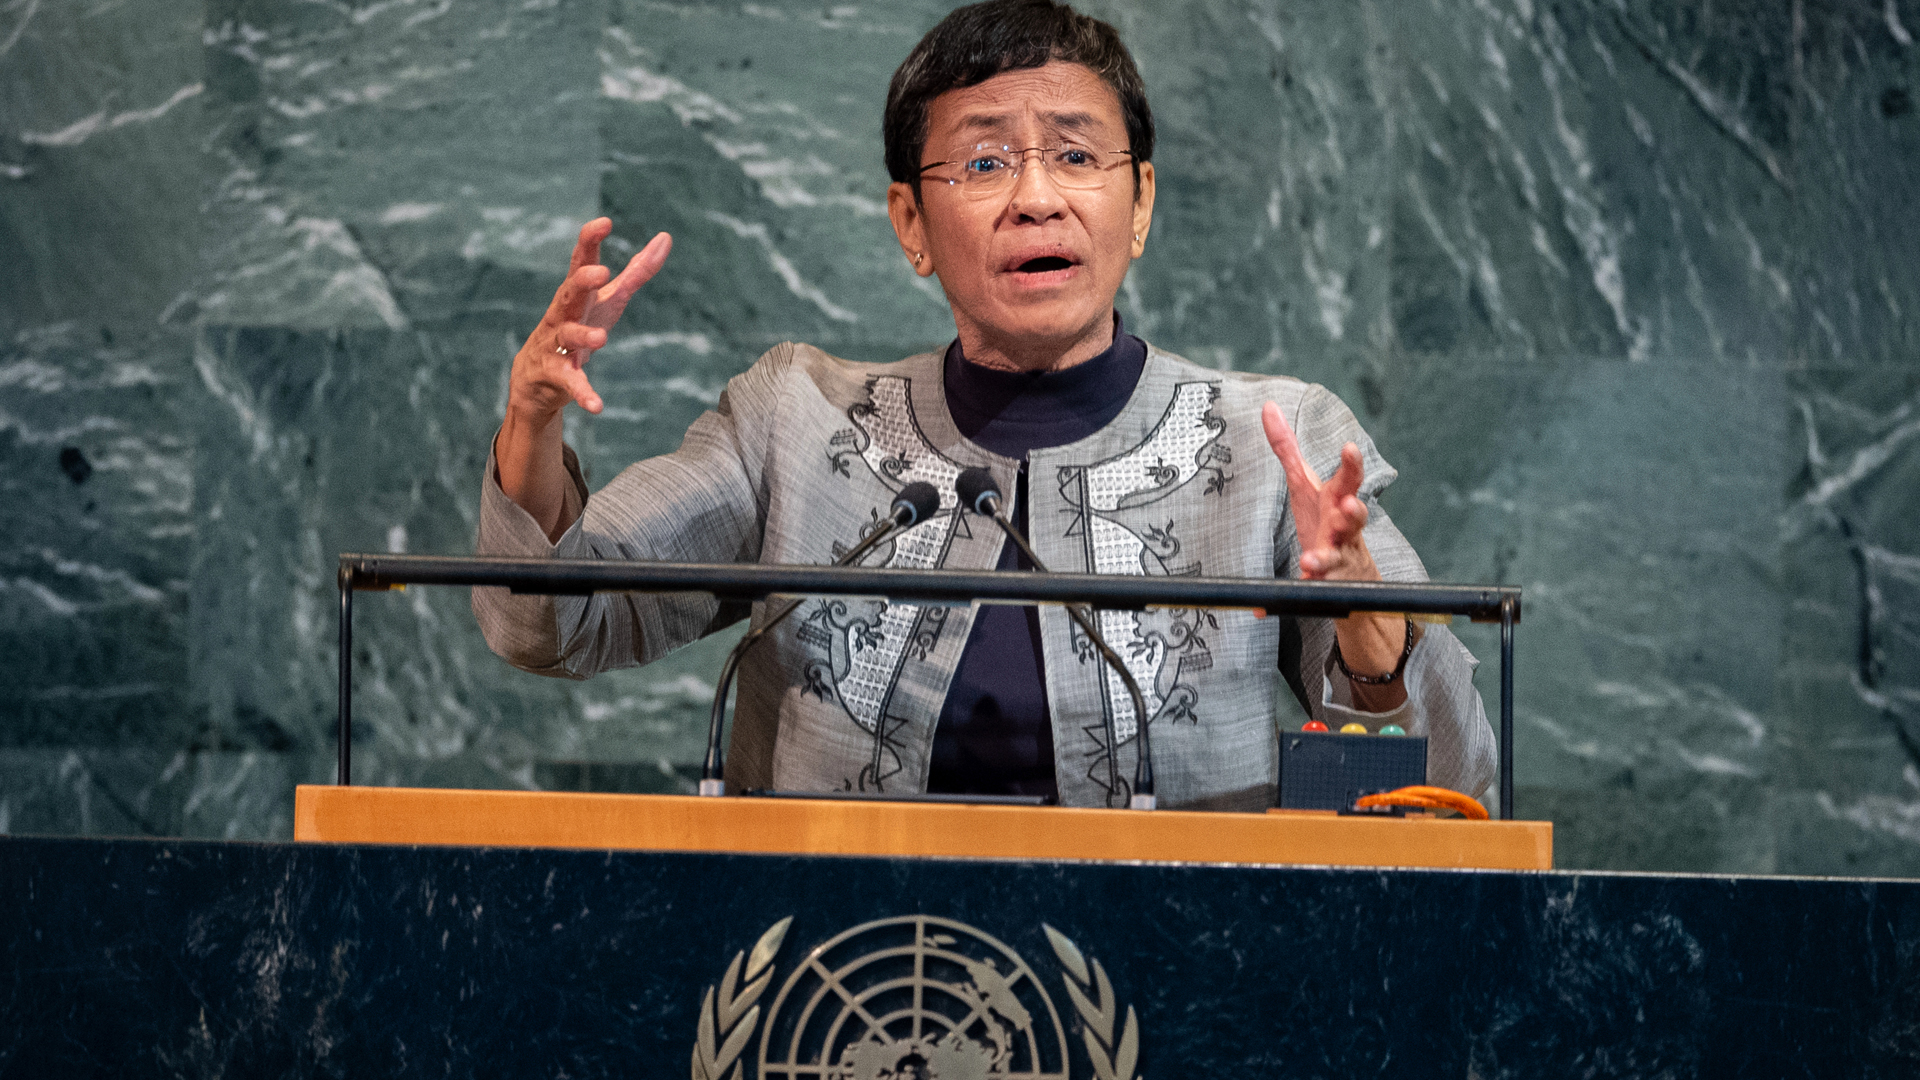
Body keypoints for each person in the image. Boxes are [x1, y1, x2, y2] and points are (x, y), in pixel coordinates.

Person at [474, 0, 1495, 811]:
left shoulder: (1276, 444)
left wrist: (1369, 630)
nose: (1036, 196)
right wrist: (532, 426)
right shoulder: (796, 420)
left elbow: (1450, 786)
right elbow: (554, 623)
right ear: (911, 223)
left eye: (1078, 154)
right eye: (983, 162)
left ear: (1139, 204)